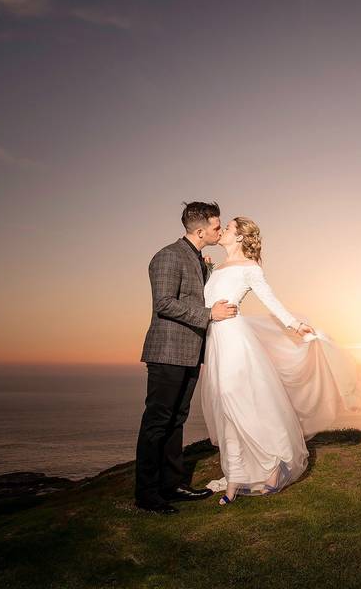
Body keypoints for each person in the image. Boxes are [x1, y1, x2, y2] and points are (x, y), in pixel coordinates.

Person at [198, 216, 361, 504]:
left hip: (235, 341)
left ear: (239, 237)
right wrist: (207, 269)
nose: (222, 230)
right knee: (225, 409)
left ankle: (276, 461)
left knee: (235, 400)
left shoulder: (250, 269)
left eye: (229, 228)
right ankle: (235, 477)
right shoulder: (218, 268)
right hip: (216, 342)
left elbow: (270, 300)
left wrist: (295, 324)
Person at [135, 201, 238, 514]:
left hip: (190, 353)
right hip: (167, 352)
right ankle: (147, 495)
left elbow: (190, 294)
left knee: (176, 421)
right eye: (216, 227)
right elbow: (163, 303)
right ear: (200, 230)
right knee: (157, 424)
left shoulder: (196, 258)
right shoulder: (167, 256)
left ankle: (172, 485)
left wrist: (206, 271)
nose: (220, 232)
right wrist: (210, 314)